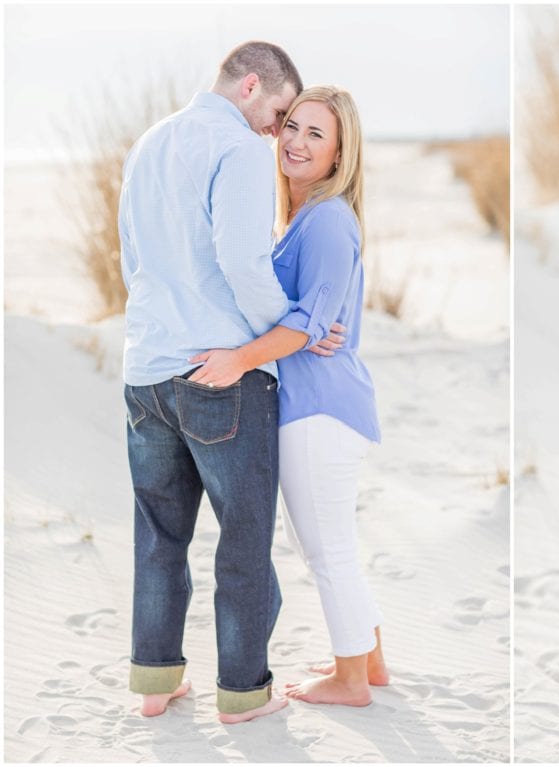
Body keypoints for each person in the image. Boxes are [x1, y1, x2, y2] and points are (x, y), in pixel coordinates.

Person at [119, 41, 336, 724]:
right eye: (278, 112)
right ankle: (243, 694)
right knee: (243, 539)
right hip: (221, 375)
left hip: (145, 371)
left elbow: (133, 260)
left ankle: (155, 683)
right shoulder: (240, 149)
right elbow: (243, 262)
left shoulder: (148, 144)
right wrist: (292, 329)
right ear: (250, 86)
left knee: (159, 535)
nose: (278, 131)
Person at [187, 86, 389, 707]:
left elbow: (309, 323)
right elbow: (304, 320)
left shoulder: (327, 218)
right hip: (313, 405)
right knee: (327, 546)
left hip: (321, 409)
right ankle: (371, 663)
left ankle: (351, 679)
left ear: (339, 154)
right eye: (292, 127)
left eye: (316, 135)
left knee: (327, 551)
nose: (296, 143)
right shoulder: (298, 218)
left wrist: (238, 360)